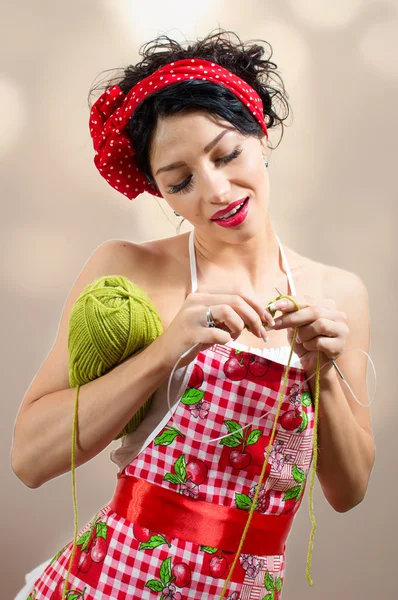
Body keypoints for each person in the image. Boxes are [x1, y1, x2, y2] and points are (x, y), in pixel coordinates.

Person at [12, 29, 375, 600]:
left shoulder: (339, 293)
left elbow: (348, 490)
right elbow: (30, 458)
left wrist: (319, 375)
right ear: (160, 193)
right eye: (179, 181)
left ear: (261, 135)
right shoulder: (126, 270)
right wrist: (166, 350)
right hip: (115, 583)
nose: (215, 190)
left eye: (227, 154)